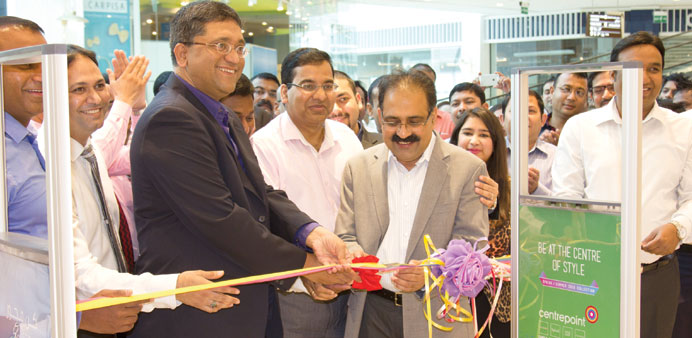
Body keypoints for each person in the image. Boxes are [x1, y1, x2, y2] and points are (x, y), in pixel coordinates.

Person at [128, 2, 356, 337]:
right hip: (197, 316)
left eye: (238, 47)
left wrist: (311, 233)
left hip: (239, 308)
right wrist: (305, 265)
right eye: (220, 46)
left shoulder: (220, 115)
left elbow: (259, 193)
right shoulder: (171, 118)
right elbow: (220, 218)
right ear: (182, 53)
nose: (234, 58)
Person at [552, 31, 692, 338]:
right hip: (594, 272)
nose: (645, 77)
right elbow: (566, 196)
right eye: (633, 69)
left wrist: (678, 228)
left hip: (657, 274)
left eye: (654, 68)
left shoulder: (683, 129)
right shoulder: (582, 128)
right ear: (612, 75)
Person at [335, 70, 489, 338]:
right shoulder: (358, 167)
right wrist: (354, 256)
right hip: (370, 313)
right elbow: (345, 234)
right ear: (379, 116)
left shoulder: (468, 169)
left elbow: (472, 245)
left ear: (433, 118)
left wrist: (431, 274)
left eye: (414, 122)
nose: (403, 133)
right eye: (393, 122)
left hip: (438, 315)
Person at [252, 48, 363, 338]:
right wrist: (305, 274)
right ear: (285, 92)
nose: (321, 95)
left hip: (354, 287)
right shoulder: (263, 145)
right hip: (297, 294)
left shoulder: (347, 139)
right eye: (308, 86)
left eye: (328, 85)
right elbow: (266, 223)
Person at [450, 107, 510, 338]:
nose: (474, 141)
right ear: (455, 139)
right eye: (467, 133)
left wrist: (492, 206)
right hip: (451, 299)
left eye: (484, 135)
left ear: (495, 142)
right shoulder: (441, 186)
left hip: (497, 304)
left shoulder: (510, 188)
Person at [328, 70, 382, 149]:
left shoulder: (385, 146)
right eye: (328, 102)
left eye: (343, 99)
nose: (336, 110)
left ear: (358, 100)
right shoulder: (308, 151)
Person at [541, 72, 588, 145]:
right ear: (552, 91)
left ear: (586, 97)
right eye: (566, 89)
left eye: (579, 92)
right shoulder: (536, 127)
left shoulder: (591, 131)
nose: (571, 97)